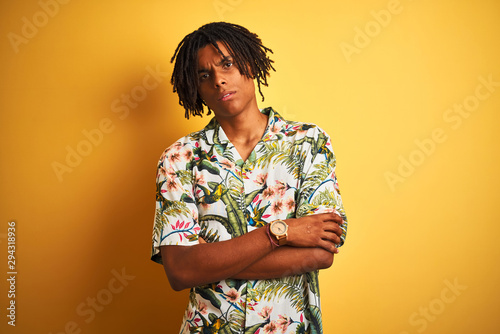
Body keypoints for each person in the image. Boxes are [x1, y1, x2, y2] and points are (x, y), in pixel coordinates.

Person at [151, 22, 348, 334]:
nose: (218, 80)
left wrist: (208, 261)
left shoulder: (308, 142)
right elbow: (180, 271)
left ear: (250, 63)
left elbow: (320, 253)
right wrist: (279, 233)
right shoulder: (179, 158)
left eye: (227, 64)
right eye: (204, 75)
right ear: (196, 88)